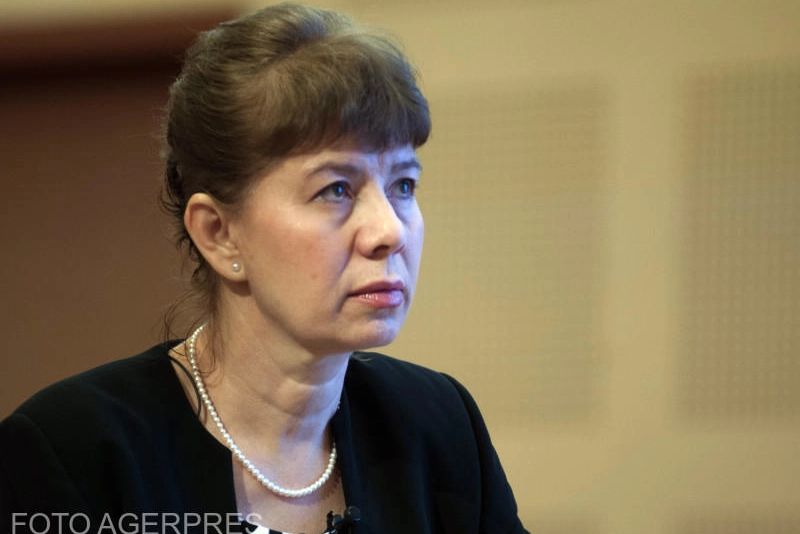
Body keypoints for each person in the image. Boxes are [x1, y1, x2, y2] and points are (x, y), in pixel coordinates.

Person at [0, 3, 528, 533]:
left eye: (403, 185)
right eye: (335, 189)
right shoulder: (71, 452)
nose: (389, 230)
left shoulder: (439, 427)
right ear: (218, 232)